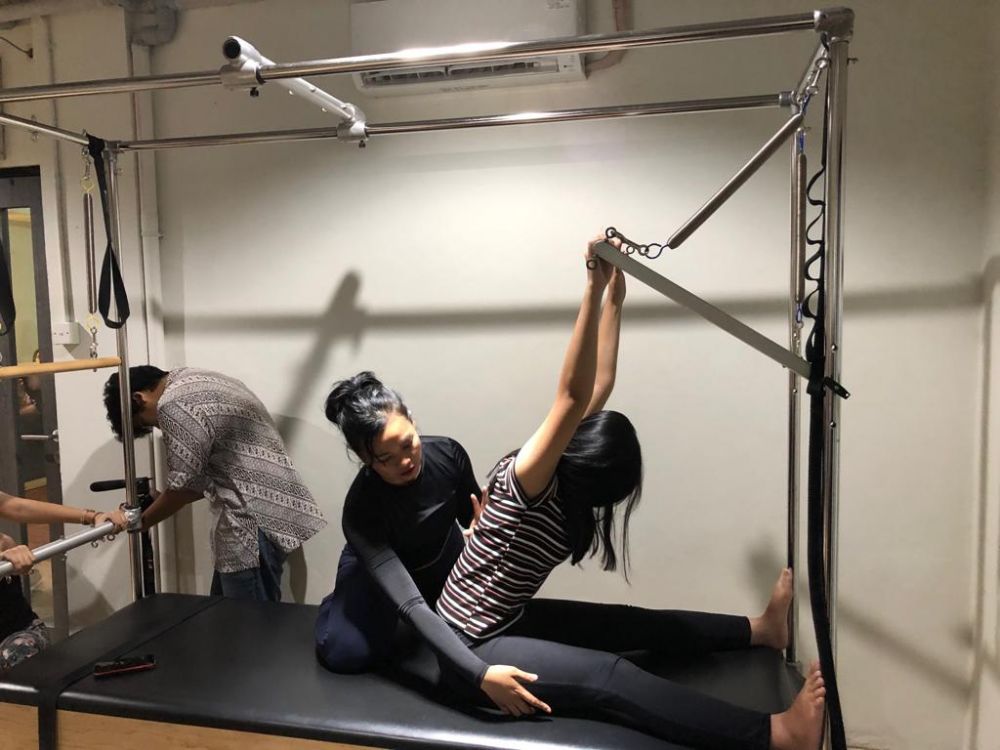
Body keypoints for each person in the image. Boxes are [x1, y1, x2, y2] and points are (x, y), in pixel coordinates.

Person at [430, 237, 826, 749]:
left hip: (506, 619)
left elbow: (600, 384)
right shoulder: (529, 478)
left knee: (627, 624)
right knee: (610, 677)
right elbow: (572, 395)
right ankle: (776, 735)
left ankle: (761, 629)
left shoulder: (565, 471)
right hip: (468, 650)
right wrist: (591, 286)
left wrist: (615, 297)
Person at [315, 371, 550, 715]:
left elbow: (473, 520)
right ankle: (337, 602)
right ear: (364, 457)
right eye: (385, 458)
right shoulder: (360, 510)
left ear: (412, 421)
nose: (405, 461)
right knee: (345, 654)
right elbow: (409, 604)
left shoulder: (448, 454)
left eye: (407, 443)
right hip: (382, 572)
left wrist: (481, 534)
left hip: (439, 552)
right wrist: (480, 675)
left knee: (470, 630)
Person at [103, 366, 327, 602]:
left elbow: (186, 487)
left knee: (247, 621)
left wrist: (138, 521)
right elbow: (202, 477)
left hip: (247, 525)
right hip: (271, 511)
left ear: (139, 398)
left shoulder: (173, 402)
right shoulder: (199, 378)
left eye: (146, 422)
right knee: (222, 615)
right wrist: (161, 501)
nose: (159, 426)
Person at [0, 490, 125, 672]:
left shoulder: (3, 543)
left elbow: (14, 506)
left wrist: (92, 517)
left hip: (15, 633)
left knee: (21, 653)